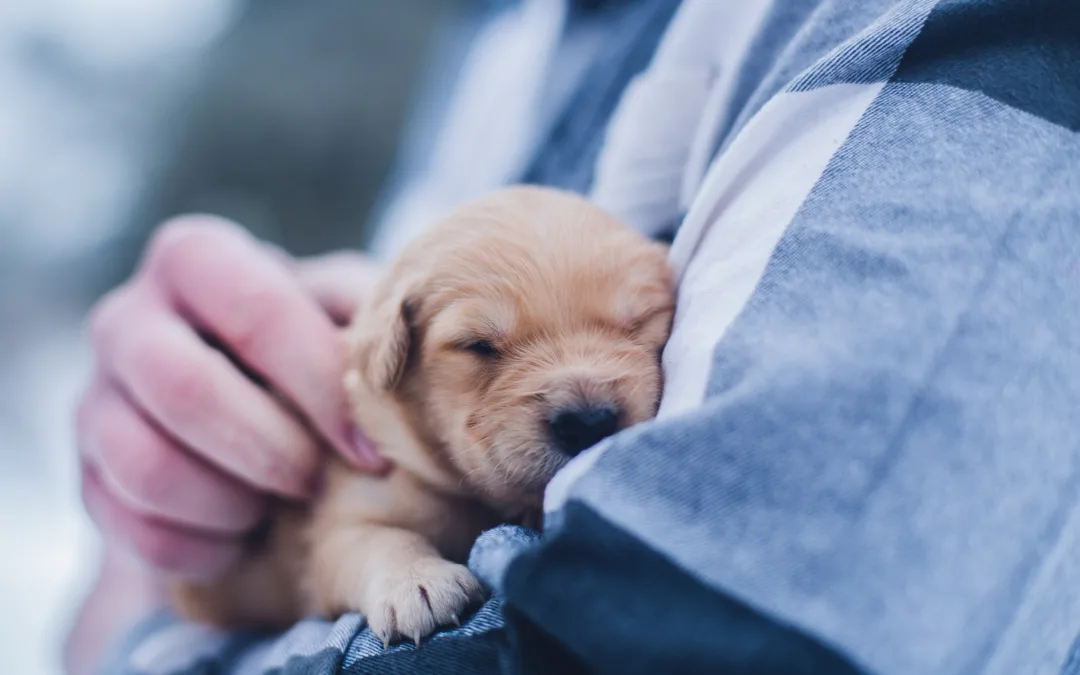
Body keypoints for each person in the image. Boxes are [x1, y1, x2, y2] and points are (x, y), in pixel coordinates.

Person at [68, 0, 1080, 674]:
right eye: (483, 349)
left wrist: (135, 636)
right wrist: (153, 499)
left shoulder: (939, 31)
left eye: (638, 325)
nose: (585, 395)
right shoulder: (498, 34)